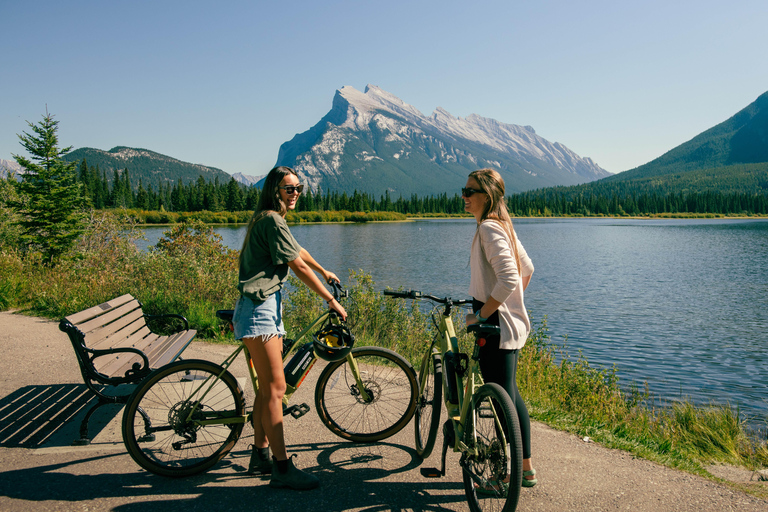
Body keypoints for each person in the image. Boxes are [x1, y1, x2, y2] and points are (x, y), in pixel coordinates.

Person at [233, 166, 347, 490]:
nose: (295, 193)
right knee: (276, 390)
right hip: (259, 311)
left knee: (266, 388)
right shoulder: (271, 219)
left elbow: (298, 252)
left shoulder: (271, 219)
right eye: (288, 188)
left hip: (261, 308)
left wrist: (324, 270)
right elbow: (296, 266)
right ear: (274, 190)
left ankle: (260, 454)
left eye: (298, 187)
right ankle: (282, 470)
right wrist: (330, 300)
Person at [463, 168, 537, 490]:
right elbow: (527, 269)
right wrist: (512, 302)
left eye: (469, 192)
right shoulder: (502, 225)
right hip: (507, 322)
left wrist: (483, 313)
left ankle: (511, 474)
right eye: (463, 191)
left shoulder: (491, 228)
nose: (463, 197)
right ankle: (526, 469)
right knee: (510, 394)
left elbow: (509, 278)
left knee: (501, 399)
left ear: (487, 195)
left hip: (495, 326)